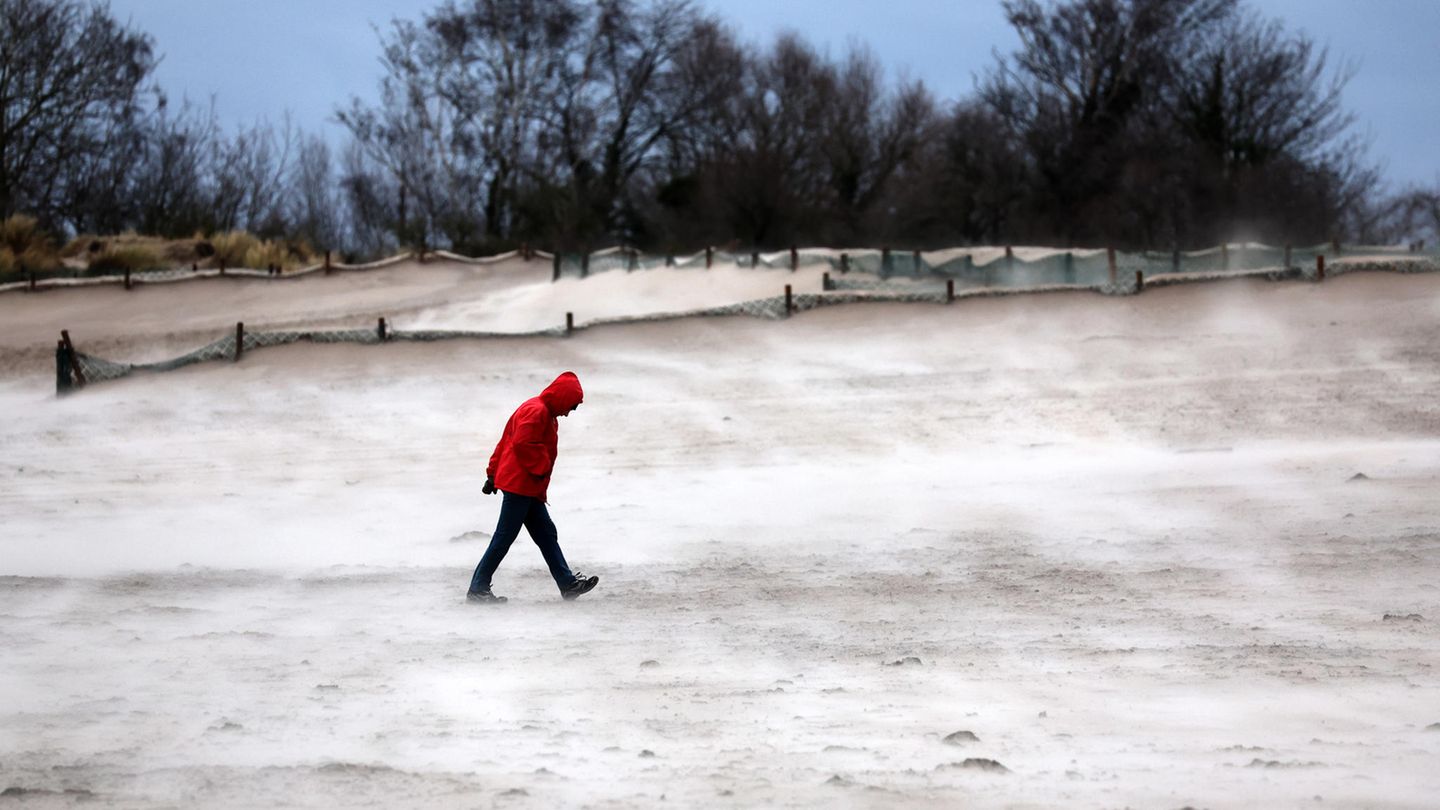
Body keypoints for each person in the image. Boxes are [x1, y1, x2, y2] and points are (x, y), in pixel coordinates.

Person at [467, 371, 599, 603]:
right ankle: (478, 588)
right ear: (561, 398)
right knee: (504, 538)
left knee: (546, 534)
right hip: (520, 486)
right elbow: (522, 443)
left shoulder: (541, 411)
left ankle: (567, 584)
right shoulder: (537, 411)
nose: (569, 413)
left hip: (528, 487)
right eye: (571, 406)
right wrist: (541, 467)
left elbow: (506, 440)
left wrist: (492, 473)